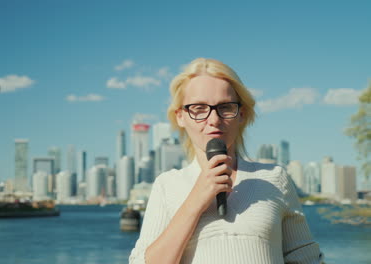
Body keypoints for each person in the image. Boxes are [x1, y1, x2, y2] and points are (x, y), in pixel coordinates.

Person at [129, 58, 324, 264]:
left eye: (226, 107)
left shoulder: (275, 179)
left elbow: (307, 259)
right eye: (199, 108)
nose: (213, 119)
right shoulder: (166, 186)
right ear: (180, 116)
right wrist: (195, 201)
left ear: (241, 113)